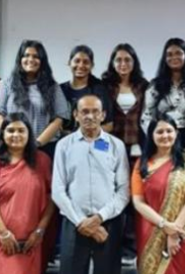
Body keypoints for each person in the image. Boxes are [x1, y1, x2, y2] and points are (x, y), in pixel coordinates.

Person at [52, 94, 130, 274]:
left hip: (108, 221)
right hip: (74, 221)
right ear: (75, 115)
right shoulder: (64, 145)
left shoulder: (116, 145)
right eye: (84, 111)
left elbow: (123, 190)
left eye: (95, 111)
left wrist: (99, 218)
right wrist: (81, 221)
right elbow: (58, 189)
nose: (90, 116)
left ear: (103, 115)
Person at [0, 113, 55, 275]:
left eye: (21, 130)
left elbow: (51, 199)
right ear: (2, 134)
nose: (16, 135)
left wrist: (40, 231)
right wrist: (3, 233)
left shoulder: (42, 160)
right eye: (11, 130)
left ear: (29, 134)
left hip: (30, 241)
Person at [132, 115, 185, 274]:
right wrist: (164, 225)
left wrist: (174, 232)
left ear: (176, 133)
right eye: (160, 132)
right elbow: (138, 202)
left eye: (169, 131)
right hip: (151, 230)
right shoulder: (142, 164)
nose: (165, 135)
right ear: (151, 135)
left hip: (182, 233)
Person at [0, 39, 68, 160]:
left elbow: (59, 119)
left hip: (44, 147)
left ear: (42, 61)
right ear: (20, 59)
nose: (30, 59)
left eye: (36, 56)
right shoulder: (6, 84)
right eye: (26, 55)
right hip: (11, 147)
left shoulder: (53, 87)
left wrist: (37, 143)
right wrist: (15, 138)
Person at [141, 38, 185, 149]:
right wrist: (156, 139)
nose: (174, 57)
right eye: (169, 54)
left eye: (178, 53)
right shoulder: (155, 85)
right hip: (161, 140)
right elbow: (147, 117)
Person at [102, 43, 148, 159]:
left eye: (127, 60)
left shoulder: (143, 86)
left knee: (136, 170)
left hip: (137, 145)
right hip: (109, 144)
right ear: (112, 63)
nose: (123, 64)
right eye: (118, 60)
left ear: (134, 62)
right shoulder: (104, 86)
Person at [60, 44, 113, 135]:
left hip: (92, 140)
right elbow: (54, 124)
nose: (81, 65)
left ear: (92, 65)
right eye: (77, 61)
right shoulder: (59, 90)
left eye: (85, 62)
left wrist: (80, 135)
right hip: (64, 141)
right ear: (69, 62)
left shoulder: (100, 90)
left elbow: (109, 125)